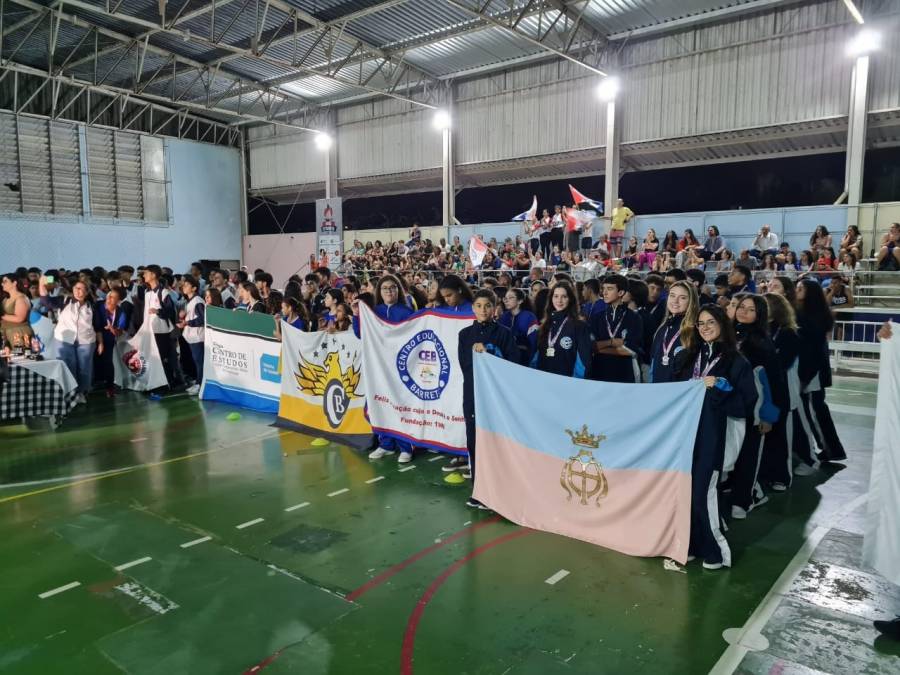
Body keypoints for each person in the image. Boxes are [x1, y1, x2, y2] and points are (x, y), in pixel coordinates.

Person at [673, 305, 756, 569]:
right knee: (684, 494)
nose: (705, 327)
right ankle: (691, 545)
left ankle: (716, 551)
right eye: (700, 324)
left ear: (722, 324)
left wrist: (722, 387)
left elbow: (746, 404)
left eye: (711, 322)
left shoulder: (737, 361)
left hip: (713, 438)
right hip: (685, 437)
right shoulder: (688, 357)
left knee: (702, 494)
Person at [458, 290, 518, 507]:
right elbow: (465, 365)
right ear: (473, 308)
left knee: (495, 443)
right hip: (473, 396)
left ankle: (498, 490)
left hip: (496, 399)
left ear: (495, 308)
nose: (483, 310)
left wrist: (490, 351)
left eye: (487, 305)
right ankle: (478, 489)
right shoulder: (464, 335)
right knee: (474, 442)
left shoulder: (504, 333)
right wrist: (477, 356)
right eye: (479, 305)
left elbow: (513, 363)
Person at [730, 293, 783, 519]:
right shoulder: (729, 334)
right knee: (733, 451)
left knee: (749, 454)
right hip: (731, 406)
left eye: (750, 310)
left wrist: (767, 416)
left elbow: (773, 382)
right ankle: (748, 491)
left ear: (759, 315)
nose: (743, 312)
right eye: (741, 307)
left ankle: (746, 499)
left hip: (754, 409)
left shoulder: (762, 343)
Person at [795, 278, 846, 464]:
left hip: (812, 371)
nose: (797, 290)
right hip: (809, 369)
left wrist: (805, 377)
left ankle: (830, 449)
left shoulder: (812, 316)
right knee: (815, 411)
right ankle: (830, 448)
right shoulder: (805, 313)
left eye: (801, 288)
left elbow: (815, 350)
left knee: (815, 411)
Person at [759, 293, 801, 491]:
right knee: (762, 436)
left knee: (779, 437)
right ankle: (764, 474)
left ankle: (782, 477)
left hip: (778, 390)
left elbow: (783, 363)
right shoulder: (761, 330)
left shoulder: (788, 332)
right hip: (762, 389)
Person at [589, 274, 643, 383]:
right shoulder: (597, 317)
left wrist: (601, 347)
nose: (604, 293)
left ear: (621, 292)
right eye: (603, 289)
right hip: (599, 372)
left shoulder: (633, 317)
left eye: (609, 289)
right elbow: (591, 347)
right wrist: (613, 342)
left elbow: (631, 350)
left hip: (624, 373)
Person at [531, 282, 592, 378]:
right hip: (542, 381)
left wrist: (575, 383)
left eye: (564, 296)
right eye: (556, 296)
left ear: (570, 299)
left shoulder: (579, 326)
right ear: (551, 299)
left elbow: (583, 362)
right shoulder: (544, 326)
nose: (559, 300)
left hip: (566, 383)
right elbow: (535, 358)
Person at [53, 281, 98, 404]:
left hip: (86, 340)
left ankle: (82, 392)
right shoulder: (64, 301)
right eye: (77, 288)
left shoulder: (92, 305)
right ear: (73, 289)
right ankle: (69, 393)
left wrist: (101, 342)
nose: (79, 291)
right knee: (68, 367)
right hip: (65, 340)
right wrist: (42, 284)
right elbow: (46, 301)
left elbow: (97, 325)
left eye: (82, 289)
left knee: (85, 369)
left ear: (87, 292)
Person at [648, 281, 698, 383]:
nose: (675, 301)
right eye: (672, 295)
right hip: (657, 389)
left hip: (679, 393)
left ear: (691, 302)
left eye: (682, 297)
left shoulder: (695, 330)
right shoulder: (663, 327)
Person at [142, 265, 179, 390]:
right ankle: (157, 382)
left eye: (146, 273)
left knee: (163, 358)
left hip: (162, 331)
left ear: (153, 275)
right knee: (153, 358)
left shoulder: (163, 292)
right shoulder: (147, 292)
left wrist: (158, 311)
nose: (143, 275)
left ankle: (167, 383)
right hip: (150, 331)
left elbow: (170, 312)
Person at [93, 287, 128, 397]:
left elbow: (119, 332)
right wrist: (100, 343)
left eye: (112, 297)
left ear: (118, 301)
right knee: (94, 362)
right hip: (92, 338)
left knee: (108, 362)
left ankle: (110, 388)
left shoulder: (121, 312)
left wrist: (112, 329)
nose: (108, 298)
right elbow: (96, 326)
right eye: (108, 295)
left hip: (109, 340)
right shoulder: (98, 306)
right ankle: (93, 385)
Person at [178, 276, 205, 395]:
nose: (184, 287)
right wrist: (183, 318)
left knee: (199, 362)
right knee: (196, 361)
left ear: (194, 288)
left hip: (198, 337)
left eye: (187, 285)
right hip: (192, 337)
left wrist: (187, 322)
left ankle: (200, 385)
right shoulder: (189, 301)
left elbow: (202, 319)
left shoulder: (198, 301)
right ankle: (198, 381)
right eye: (184, 285)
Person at [499, 288, 539, 366]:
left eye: (511, 297)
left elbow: (534, 342)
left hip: (524, 359)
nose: (506, 301)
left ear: (520, 301)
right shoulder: (503, 317)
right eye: (505, 298)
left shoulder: (529, 317)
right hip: (505, 358)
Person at [1, 273, 34, 348]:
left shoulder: (21, 298)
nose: (2, 284)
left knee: (23, 357)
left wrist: (2, 315)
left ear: (14, 283)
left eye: (5, 281)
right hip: (7, 334)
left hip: (20, 332)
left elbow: (20, 318)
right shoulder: (5, 300)